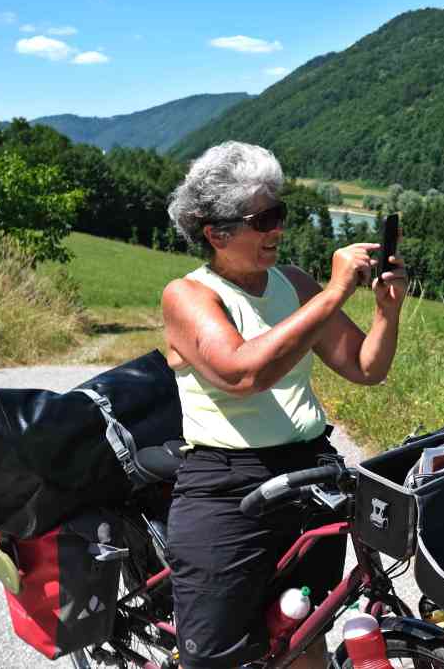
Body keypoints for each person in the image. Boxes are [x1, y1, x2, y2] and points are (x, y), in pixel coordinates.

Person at [162, 141, 407, 669]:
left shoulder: (292, 283)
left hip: (310, 473)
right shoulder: (188, 295)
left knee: (302, 633)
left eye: (280, 213)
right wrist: (334, 293)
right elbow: (242, 373)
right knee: (218, 658)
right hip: (229, 486)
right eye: (264, 219)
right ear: (217, 233)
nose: (278, 229)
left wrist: (387, 312)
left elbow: (365, 367)